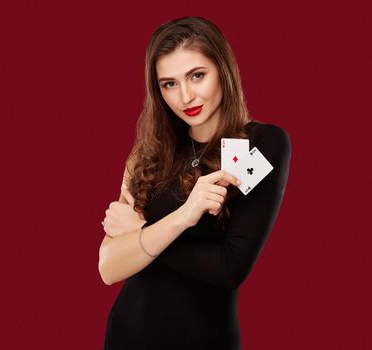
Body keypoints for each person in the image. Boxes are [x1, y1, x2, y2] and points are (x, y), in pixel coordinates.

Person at [98, 16, 291, 349]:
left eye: (197, 76)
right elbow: (110, 267)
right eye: (168, 84)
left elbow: (230, 268)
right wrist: (182, 218)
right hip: (127, 335)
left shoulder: (253, 146)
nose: (185, 96)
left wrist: (142, 232)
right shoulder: (150, 153)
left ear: (223, 70)